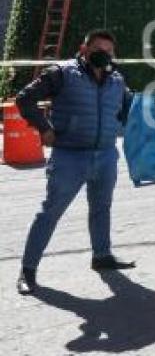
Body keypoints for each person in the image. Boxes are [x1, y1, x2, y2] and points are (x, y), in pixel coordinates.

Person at [16, 30, 134, 295]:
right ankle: (27, 270)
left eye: (109, 50)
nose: (104, 53)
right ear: (84, 48)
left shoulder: (116, 80)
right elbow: (25, 99)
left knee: (101, 208)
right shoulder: (61, 74)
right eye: (98, 48)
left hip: (105, 155)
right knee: (50, 212)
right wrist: (44, 128)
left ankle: (102, 256)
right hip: (69, 156)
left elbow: (131, 110)